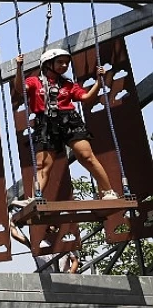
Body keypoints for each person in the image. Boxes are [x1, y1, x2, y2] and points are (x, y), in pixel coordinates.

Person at [11, 49, 119, 208]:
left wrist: (98, 82)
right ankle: (36, 197)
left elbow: (86, 98)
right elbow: (20, 88)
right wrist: (19, 68)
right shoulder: (35, 81)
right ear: (48, 64)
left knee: (86, 156)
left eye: (66, 63)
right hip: (46, 123)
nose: (64, 65)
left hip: (69, 120)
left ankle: (109, 191)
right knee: (42, 165)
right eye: (60, 62)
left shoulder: (68, 84)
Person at [10, 220, 80, 274]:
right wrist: (11, 222)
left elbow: (75, 261)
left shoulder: (66, 244)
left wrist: (70, 275)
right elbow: (16, 235)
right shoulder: (38, 245)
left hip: (63, 277)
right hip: (46, 279)